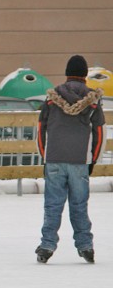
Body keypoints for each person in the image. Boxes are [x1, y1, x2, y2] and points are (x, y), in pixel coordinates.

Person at [35, 55, 105, 264]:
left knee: (52, 206)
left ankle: (47, 246)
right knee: (79, 205)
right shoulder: (92, 100)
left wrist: (45, 156)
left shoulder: (51, 98)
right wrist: (92, 160)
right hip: (80, 161)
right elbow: (100, 133)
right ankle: (85, 246)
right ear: (85, 75)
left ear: (67, 73)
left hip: (54, 159)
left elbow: (41, 130)